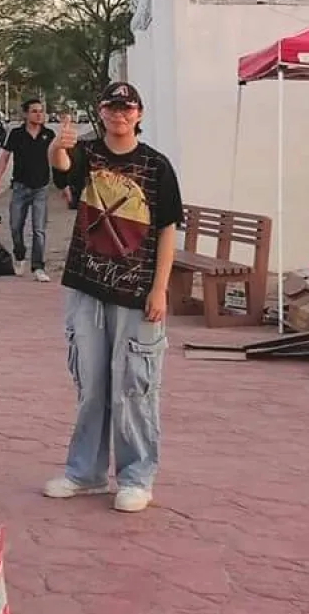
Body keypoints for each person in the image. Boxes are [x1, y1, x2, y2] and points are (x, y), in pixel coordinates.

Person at [42, 81, 183, 514]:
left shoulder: (157, 166)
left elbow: (166, 230)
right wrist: (56, 148)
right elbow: (64, 169)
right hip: (88, 285)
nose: (119, 115)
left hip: (136, 292)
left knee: (134, 386)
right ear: (101, 112)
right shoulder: (87, 154)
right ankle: (84, 472)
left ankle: (137, 475)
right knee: (91, 384)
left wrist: (159, 288)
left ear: (139, 113)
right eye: (111, 107)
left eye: (127, 108)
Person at [0, 98, 55, 282]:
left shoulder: (48, 135)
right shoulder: (16, 134)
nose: (39, 114)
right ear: (26, 114)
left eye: (41, 111)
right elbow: (4, 158)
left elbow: (58, 158)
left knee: (39, 229)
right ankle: (19, 255)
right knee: (15, 226)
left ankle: (38, 267)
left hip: (41, 188)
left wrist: (64, 185)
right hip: (20, 187)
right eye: (34, 111)